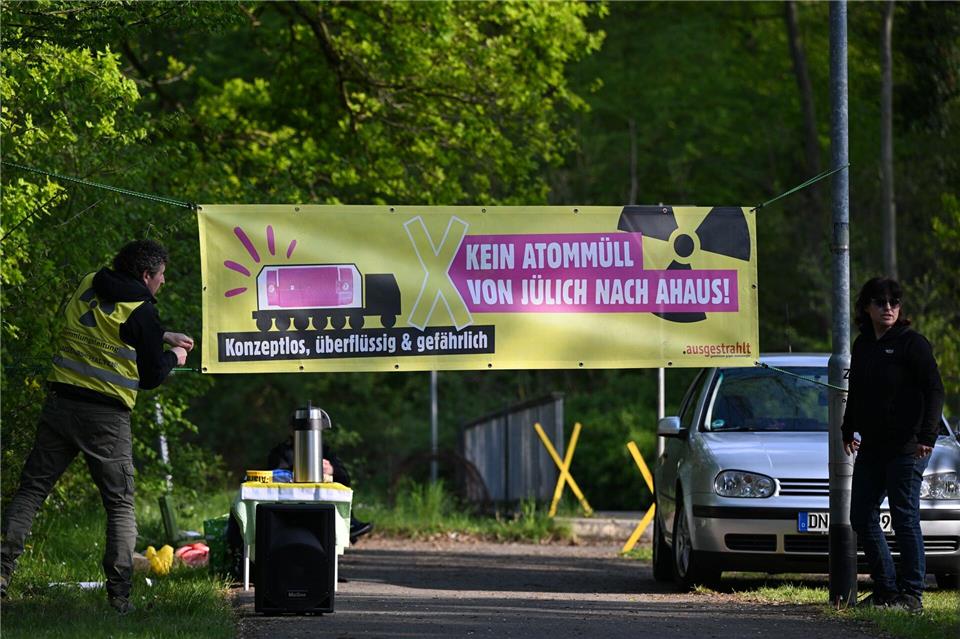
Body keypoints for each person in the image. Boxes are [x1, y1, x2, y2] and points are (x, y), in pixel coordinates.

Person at [0, 240, 194, 614]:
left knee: (31, 491)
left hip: (60, 403)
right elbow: (151, 375)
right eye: (161, 276)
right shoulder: (143, 310)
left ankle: (2, 573)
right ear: (145, 275)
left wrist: (161, 334)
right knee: (120, 505)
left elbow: (109, 324)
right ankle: (120, 598)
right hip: (106, 418)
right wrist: (174, 354)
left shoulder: (90, 281)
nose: (163, 282)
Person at [842, 277, 944, 614]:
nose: (888, 308)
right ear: (866, 307)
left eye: (894, 302)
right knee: (861, 515)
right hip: (872, 446)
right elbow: (855, 390)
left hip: (908, 448)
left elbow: (934, 390)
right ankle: (886, 590)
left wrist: (927, 436)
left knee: (904, 517)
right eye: (881, 302)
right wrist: (848, 428)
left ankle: (912, 595)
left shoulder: (912, 344)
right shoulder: (863, 345)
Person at [266, 430, 374, 543]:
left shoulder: (324, 450)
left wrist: (332, 470)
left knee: (338, 486)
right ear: (293, 431)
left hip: (324, 504)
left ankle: (348, 522)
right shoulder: (282, 452)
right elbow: (275, 477)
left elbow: (345, 478)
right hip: (292, 507)